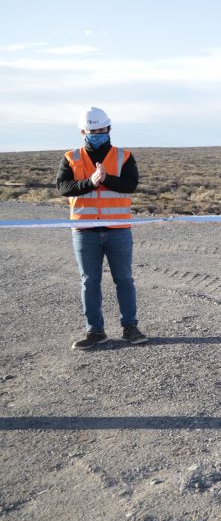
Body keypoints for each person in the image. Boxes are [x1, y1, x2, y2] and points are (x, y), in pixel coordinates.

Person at [57, 107, 147, 349]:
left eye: (100, 130)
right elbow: (63, 187)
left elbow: (130, 185)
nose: (96, 134)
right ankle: (95, 331)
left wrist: (105, 178)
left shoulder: (124, 156)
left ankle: (130, 327)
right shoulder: (70, 157)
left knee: (124, 280)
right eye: (91, 131)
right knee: (89, 282)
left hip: (118, 229)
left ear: (108, 129)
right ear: (82, 131)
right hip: (85, 231)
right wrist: (90, 182)